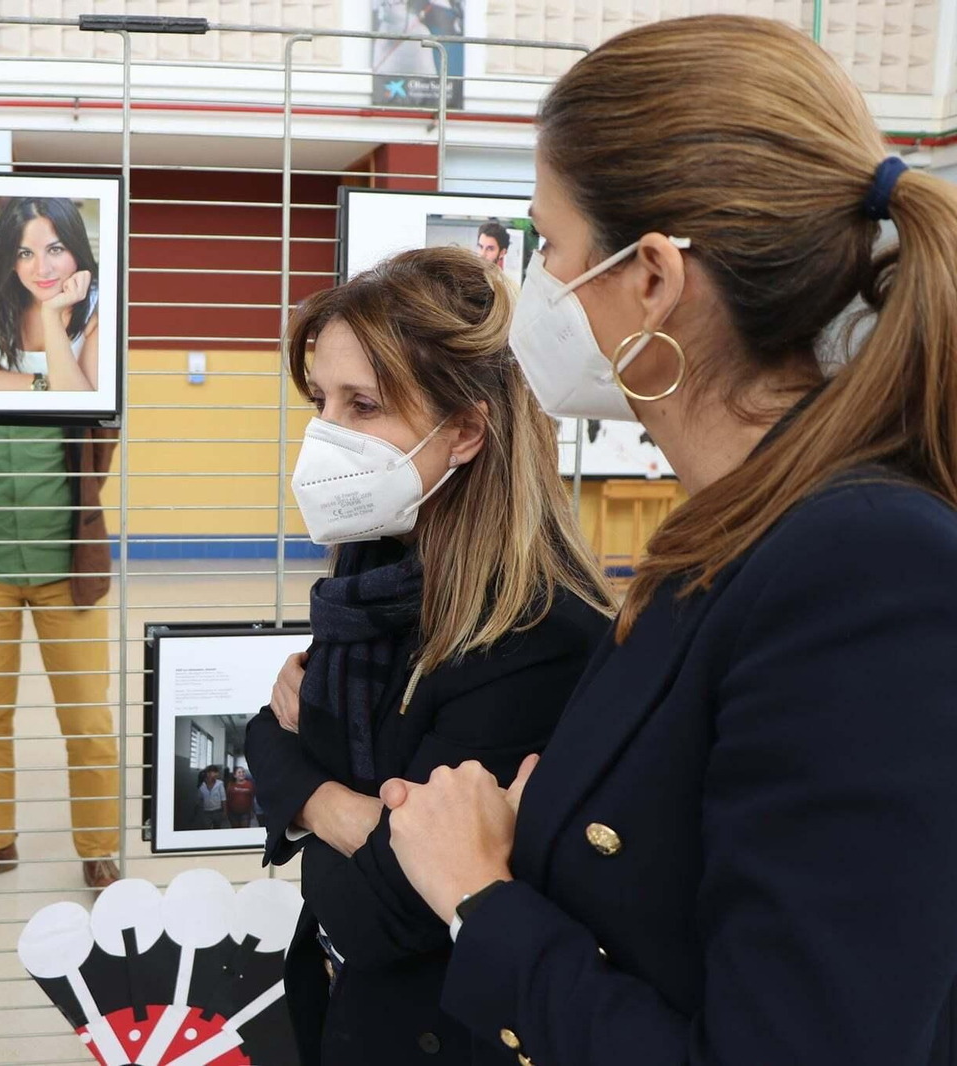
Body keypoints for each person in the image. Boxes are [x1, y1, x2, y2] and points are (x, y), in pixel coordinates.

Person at [376, 17, 957, 1065]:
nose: (536, 295)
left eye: (548, 246)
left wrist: (480, 896)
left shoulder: (863, 567)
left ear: (650, 275)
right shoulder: (730, 532)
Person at [244, 247, 612, 1065]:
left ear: (468, 431)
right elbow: (260, 735)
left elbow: (383, 914)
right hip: (344, 1009)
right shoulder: (372, 570)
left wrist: (310, 799)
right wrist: (349, 811)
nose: (324, 436)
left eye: (363, 404)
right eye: (321, 400)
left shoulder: (537, 635)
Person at [0, 412, 120, 892]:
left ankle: (98, 852)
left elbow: (103, 435)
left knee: (87, 720)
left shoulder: (67, 354)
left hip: (67, 568)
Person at [0, 197, 99, 393]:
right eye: (25, 254)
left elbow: (87, 411)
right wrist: (42, 383)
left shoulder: (101, 306)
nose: (42, 270)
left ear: (76, 249)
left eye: (55, 249)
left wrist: (51, 314)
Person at [475, 220, 521, 293]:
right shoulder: (466, 279)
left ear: (502, 253)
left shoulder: (509, 289)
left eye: (490, 249)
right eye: (480, 247)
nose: (482, 254)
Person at [195, 766, 227, 830]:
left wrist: (225, 811)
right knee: (206, 828)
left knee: (217, 828)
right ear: (208, 773)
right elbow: (199, 799)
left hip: (217, 811)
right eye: (214, 772)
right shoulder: (202, 786)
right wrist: (196, 811)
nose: (217, 774)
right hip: (206, 812)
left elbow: (223, 798)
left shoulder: (220, 784)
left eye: (217, 772)